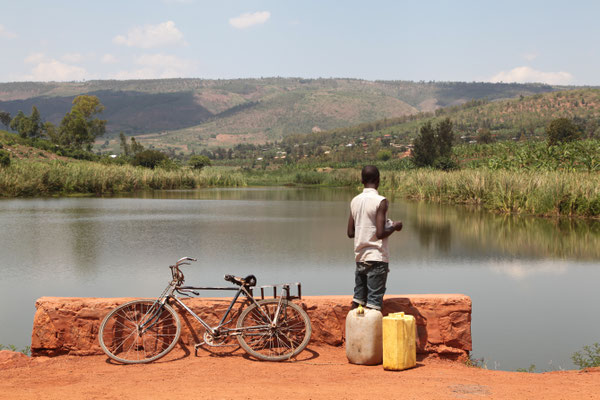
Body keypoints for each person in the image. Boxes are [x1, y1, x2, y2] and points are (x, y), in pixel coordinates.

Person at [347, 165, 402, 311]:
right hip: (377, 258)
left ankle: (351, 332)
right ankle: (372, 334)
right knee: (374, 305)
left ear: (361, 180)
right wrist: (395, 226)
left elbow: (350, 232)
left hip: (360, 257)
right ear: (378, 180)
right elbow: (380, 233)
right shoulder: (381, 201)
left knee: (358, 300)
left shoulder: (355, 201)